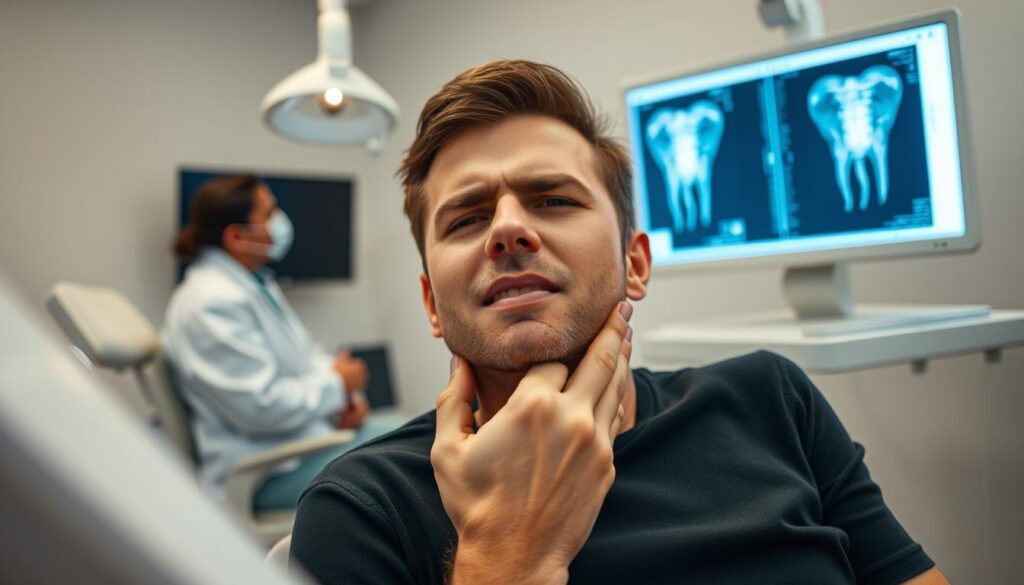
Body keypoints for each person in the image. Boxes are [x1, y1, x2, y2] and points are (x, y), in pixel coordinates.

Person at [290, 61, 948, 584]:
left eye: (552, 198)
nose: (510, 228)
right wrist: (507, 559)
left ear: (636, 262)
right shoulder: (360, 510)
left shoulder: (772, 399)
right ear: (432, 303)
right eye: (466, 218)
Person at [163, 174, 384, 511]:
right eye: (268, 215)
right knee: (413, 453)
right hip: (265, 475)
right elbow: (261, 407)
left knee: (411, 435)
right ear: (236, 236)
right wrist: (337, 385)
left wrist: (344, 398)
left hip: (301, 447)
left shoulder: (254, 284)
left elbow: (305, 357)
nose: (281, 223)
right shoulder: (209, 302)